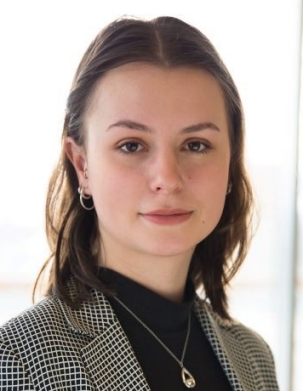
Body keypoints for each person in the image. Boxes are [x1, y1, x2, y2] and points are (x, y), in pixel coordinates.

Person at [0, 16, 279, 390]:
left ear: (230, 163)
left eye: (196, 145)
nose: (167, 177)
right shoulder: (19, 359)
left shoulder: (254, 356)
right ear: (82, 165)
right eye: (131, 145)